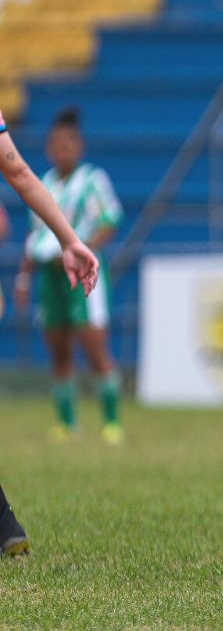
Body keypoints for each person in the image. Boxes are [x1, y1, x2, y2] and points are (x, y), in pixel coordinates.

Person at [0, 106, 101, 558]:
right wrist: (69, 239)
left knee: (90, 350)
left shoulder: (92, 178)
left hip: (64, 278)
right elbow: (16, 172)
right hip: (53, 265)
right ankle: (4, 523)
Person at [14, 107, 122, 444]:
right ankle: (67, 422)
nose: (62, 149)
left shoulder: (92, 180)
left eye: (68, 143)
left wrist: (84, 248)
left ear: (80, 146)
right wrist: (24, 276)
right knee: (58, 348)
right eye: (56, 143)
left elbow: (110, 221)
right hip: (50, 275)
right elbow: (35, 237)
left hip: (83, 275)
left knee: (94, 347)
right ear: (48, 148)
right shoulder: (43, 183)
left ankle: (111, 421)